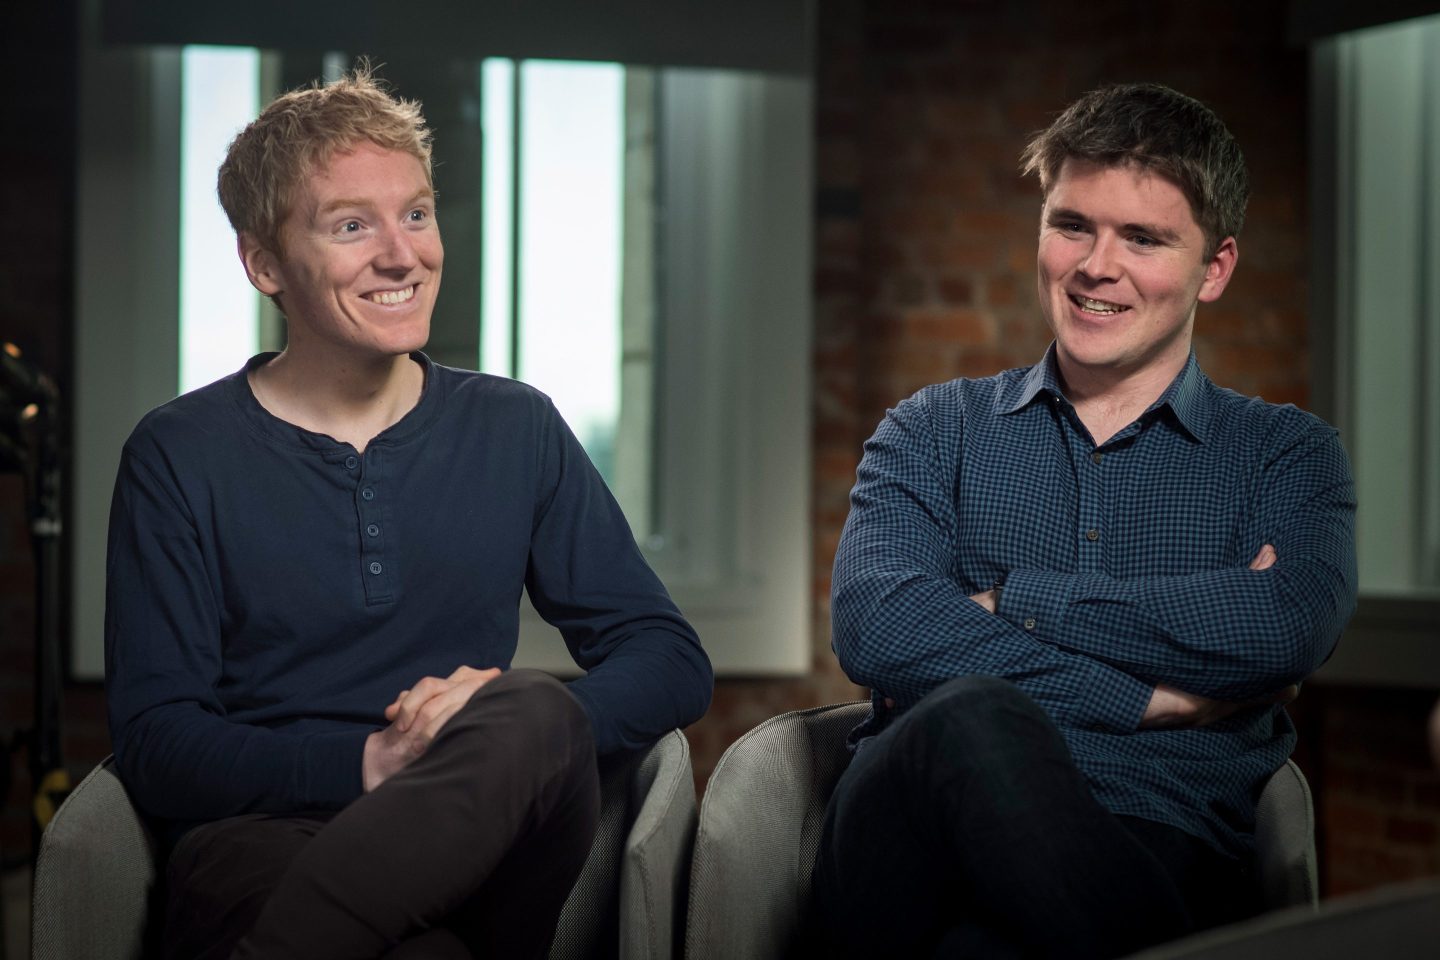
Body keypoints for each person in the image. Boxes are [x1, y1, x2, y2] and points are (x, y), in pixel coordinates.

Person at [103, 66, 712, 960]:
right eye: (352, 225)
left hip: (485, 840)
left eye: (417, 214)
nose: (403, 255)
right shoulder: (178, 453)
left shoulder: (515, 427)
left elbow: (670, 659)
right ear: (264, 263)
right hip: (267, 841)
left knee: (534, 710)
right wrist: (368, 764)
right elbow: (159, 743)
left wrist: (494, 724)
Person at [812, 82, 1357, 959]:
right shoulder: (931, 429)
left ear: (1215, 268)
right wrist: (1148, 698)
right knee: (969, 719)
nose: (1097, 266)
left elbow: (1284, 625)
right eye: (1072, 225)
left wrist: (1012, 602)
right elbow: (879, 625)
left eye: (1143, 238)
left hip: (1158, 837)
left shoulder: (1286, 455)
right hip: (909, 845)